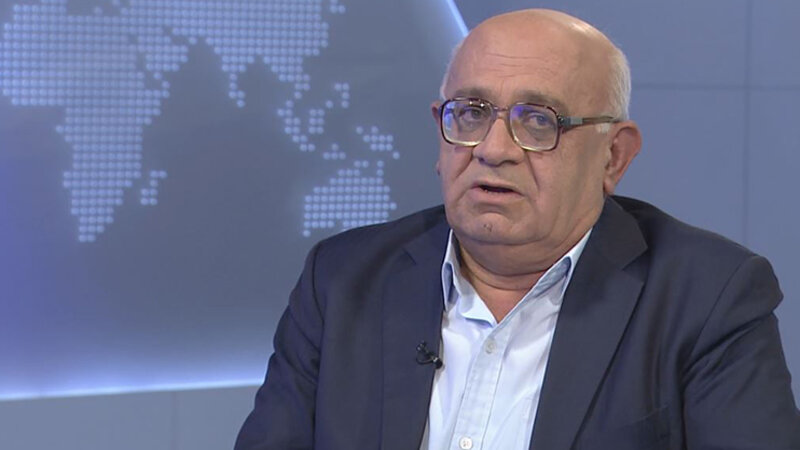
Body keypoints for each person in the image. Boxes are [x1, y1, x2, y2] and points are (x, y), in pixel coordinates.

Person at [235, 9, 800, 450]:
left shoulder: (708, 298)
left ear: (613, 157)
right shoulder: (343, 280)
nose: (493, 149)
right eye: (471, 113)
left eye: (537, 121)